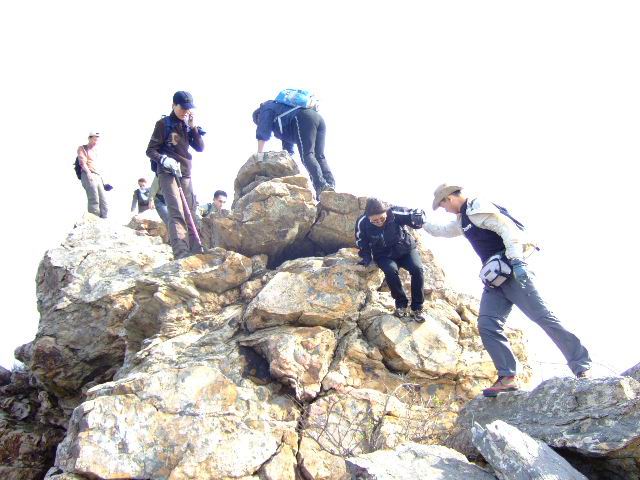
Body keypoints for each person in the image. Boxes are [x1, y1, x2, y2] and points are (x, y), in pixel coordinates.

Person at [423, 184, 592, 397]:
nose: (444, 210)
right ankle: (507, 377)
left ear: (449, 198)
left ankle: (581, 365)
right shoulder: (462, 219)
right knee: (487, 324)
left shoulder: (477, 208)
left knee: (543, 317)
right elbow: (443, 231)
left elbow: (507, 229)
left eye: (442, 205)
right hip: (495, 280)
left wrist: (517, 261)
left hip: (512, 272)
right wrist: (421, 222)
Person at [146, 91, 205, 259]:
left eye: (188, 108)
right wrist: (163, 159)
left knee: (190, 212)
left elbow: (200, 147)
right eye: (182, 108)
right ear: (173, 105)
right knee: (176, 212)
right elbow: (150, 150)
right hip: (167, 172)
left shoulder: (187, 125)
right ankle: (181, 253)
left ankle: (196, 251)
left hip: (185, 173)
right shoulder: (163, 124)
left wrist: (193, 127)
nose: (185, 111)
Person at [355, 198, 426, 322]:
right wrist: (366, 256)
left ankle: (417, 308)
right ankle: (401, 305)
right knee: (390, 271)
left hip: (405, 250)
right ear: (368, 217)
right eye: (374, 220)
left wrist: (419, 217)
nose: (379, 222)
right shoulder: (362, 222)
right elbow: (361, 241)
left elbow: (413, 217)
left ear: (386, 213)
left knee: (417, 269)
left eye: (382, 218)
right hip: (383, 255)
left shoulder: (394, 212)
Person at [252, 100, 335, 197]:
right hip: (317, 118)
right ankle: (330, 185)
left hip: (304, 118)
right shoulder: (281, 110)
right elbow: (287, 142)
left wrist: (259, 156)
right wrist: (287, 157)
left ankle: (321, 186)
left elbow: (262, 133)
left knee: (307, 155)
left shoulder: (266, 109)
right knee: (319, 156)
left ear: (258, 117)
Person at [77, 131, 108, 218]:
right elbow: (82, 163)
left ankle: (104, 220)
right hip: (88, 174)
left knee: (103, 201)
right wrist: (88, 174)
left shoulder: (96, 151)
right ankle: (93, 220)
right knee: (94, 199)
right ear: (89, 138)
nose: (95, 142)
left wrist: (103, 180)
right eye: (94, 140)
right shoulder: (82, 148)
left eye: (97, 140)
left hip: (98, 176)